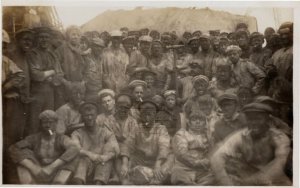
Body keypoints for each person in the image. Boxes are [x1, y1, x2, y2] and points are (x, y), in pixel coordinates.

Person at [211, 103, 292, 186]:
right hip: (248, 176)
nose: (253, 123)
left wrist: (247, 182)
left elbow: (280, 163)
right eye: (250, 119)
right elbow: (217, 157)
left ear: (268, 120)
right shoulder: (242, 135)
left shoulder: (278, 137)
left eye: (258, 119)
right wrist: (225, 181)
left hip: (274, 180)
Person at [9, 110, 79, 184]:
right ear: (40, 124)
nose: (48, 125)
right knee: (23, 159)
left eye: (51, 122)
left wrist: (52, 167)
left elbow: (74, 148)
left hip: (56, 172)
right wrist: (33, 167)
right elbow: (13, 148)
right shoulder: (33, 138)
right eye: (45, 122)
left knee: (72, 158)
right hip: (38, 172)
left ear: (56, 123)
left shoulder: (62, 138)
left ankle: (58, 184)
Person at [27, 27, 64, 135]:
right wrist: (52, 71)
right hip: (36, 93)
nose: (44, 40)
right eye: (41, 37)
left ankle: (50, 142)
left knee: (49, 119)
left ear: (50, 39)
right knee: (34, 121)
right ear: (37, 39)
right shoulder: (33, 54)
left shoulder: (52, 55)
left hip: (50, 92)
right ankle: (33, 145)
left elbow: (60, 74)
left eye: (46, 37)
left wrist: (52, 80)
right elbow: (36, 75)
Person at [71, 102, 119, 184]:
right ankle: (79, 183)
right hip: (85, 164)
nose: (90, 118)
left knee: (106, 162)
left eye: (92, 115)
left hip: (102, 164)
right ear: (82, 117)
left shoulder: (106, 132)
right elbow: (76, 149)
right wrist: (91, 155)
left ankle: (98, 184)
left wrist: (105, 157)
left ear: (96, 115)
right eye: (86, 115)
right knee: (82, 160)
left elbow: (115, 149)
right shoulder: (77, 133)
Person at [127, 100, 172, 185]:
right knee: (134, 170)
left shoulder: (161, 129)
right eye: (144, 114)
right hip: (142, 161)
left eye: (149, 115)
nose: (147, 118)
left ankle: (151, 179)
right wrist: (125, 163)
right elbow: (128, 145)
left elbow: (164, 147)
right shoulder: (136, 128)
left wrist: (158, 164)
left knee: (166, 167)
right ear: (140, 115)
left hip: (159, 160)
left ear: (155, 115)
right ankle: (149, 178)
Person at [2, 29, 26, 184]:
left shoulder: (4, 61)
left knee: (6, 135)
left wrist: (6, 88)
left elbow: (20, 75)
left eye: (3, 45)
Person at [171, 110, 215, 185]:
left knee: (217, 176)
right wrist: (201, 162)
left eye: (201, 120)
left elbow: (212, 152)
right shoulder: (181, 134)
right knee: (178, 175)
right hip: (184, 168)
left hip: (202, 170)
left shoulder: (208, 136)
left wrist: (208, 161)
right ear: (189, 122)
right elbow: (182, 154)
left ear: (205, 123)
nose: (197, 122)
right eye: (194, 120)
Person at [103, 94, 139, 184]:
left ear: (129, 108)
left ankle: (121, 177)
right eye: (120, 107)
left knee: (127, 163)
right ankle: (121, 178)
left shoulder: (133, 121)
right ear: (116, 107)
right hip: (113, 151)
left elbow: (132, 141)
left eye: (126, 108)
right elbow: (109, 138)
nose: (123, 110)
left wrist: (125, 160)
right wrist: (119, 143)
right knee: (114, 153)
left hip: (130, 153)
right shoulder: (108, 120)